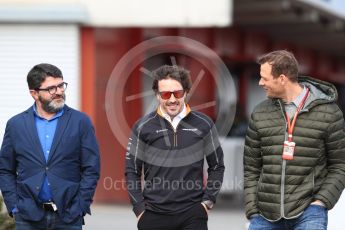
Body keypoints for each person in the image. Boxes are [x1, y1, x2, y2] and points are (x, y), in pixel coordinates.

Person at [243, 50, 345, 229]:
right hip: (265, 215)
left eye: (264, 78)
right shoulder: (260, 113)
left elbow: (340, 165)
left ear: (282, 78)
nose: (260, 83)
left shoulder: (329, 113)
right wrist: (252, 209)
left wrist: (321, 202)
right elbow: (251, 168)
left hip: (309, 213)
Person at [0, 63, 100, 229]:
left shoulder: (80, 122)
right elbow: (5, 169)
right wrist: (14, 206)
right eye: (51, 88)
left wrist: (81, 204)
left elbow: (91, 168)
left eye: (61, 85)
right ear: (34, 94)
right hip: (27, 216)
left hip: (69, 216)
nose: (59, 91)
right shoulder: (16, 124)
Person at [125, 65, 225, 230]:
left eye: (177, 93)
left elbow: (217, 166)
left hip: (192, 215)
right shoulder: (142, 127)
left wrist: (207, 203)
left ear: (186, 92)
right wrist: (139, 210)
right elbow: (132, 170)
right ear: (157, 95)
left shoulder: (204, 124)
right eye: (165, 94)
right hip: (153, 215)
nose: (172, 99)